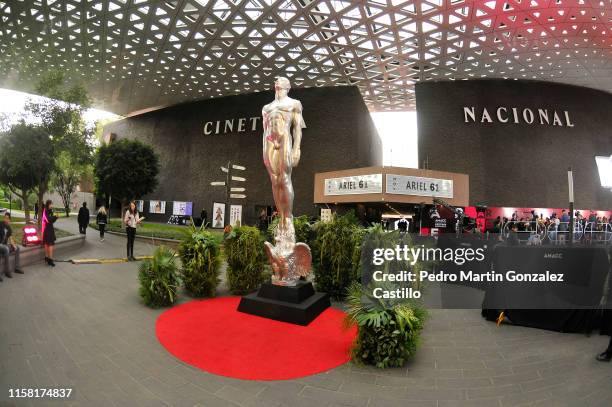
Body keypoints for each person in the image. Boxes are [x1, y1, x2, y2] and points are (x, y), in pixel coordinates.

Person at [0, 213, 23, 278]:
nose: (5, 219)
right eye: (5, 218)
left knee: (17, 248)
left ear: (10, 220)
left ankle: (17, 268)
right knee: (6, 249)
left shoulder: (9, 228)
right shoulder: (0, 224)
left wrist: (14, 245)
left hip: (4, 246)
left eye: (7, 218)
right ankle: (7, 271)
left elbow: (11, 239)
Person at [42, 200, 58, 267]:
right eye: (51, 204)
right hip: (47, 230)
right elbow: (48, 220)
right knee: (49, 244)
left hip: (49, 229)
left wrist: (55, 218)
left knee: (47, 244)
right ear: (48, 204)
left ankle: (47, 258)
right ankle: (50, 260)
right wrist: (55, 217)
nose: (52, 205)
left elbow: (51, 221)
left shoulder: (50, 211)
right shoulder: (45, 211)